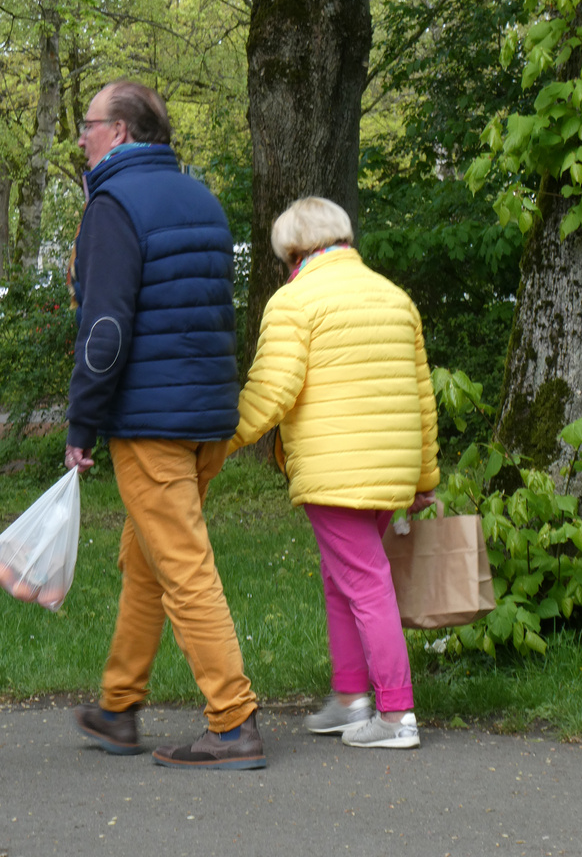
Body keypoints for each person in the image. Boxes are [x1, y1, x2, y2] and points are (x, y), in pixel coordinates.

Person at [65, 79, 264, 770]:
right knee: (146, 561)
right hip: (207, 417)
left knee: (182, 568)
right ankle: (119, 708)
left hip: (151, 424)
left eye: (87, 125)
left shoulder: (114, 206)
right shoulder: (200, 199)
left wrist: (81, 423)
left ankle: (233, 721)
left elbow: (107, 328)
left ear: (119, 131)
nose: (80, 138)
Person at [228, 196, 439, 750]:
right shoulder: (395, 298)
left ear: (292, 250)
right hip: (388, 466)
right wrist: (425, 477)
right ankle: (351, 700)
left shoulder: (294, 301)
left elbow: (271, 391)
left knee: (365, 585)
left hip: (334, 467)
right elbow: (423, 396)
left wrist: (218, 440)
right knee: (344, 580)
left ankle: (396, 716)